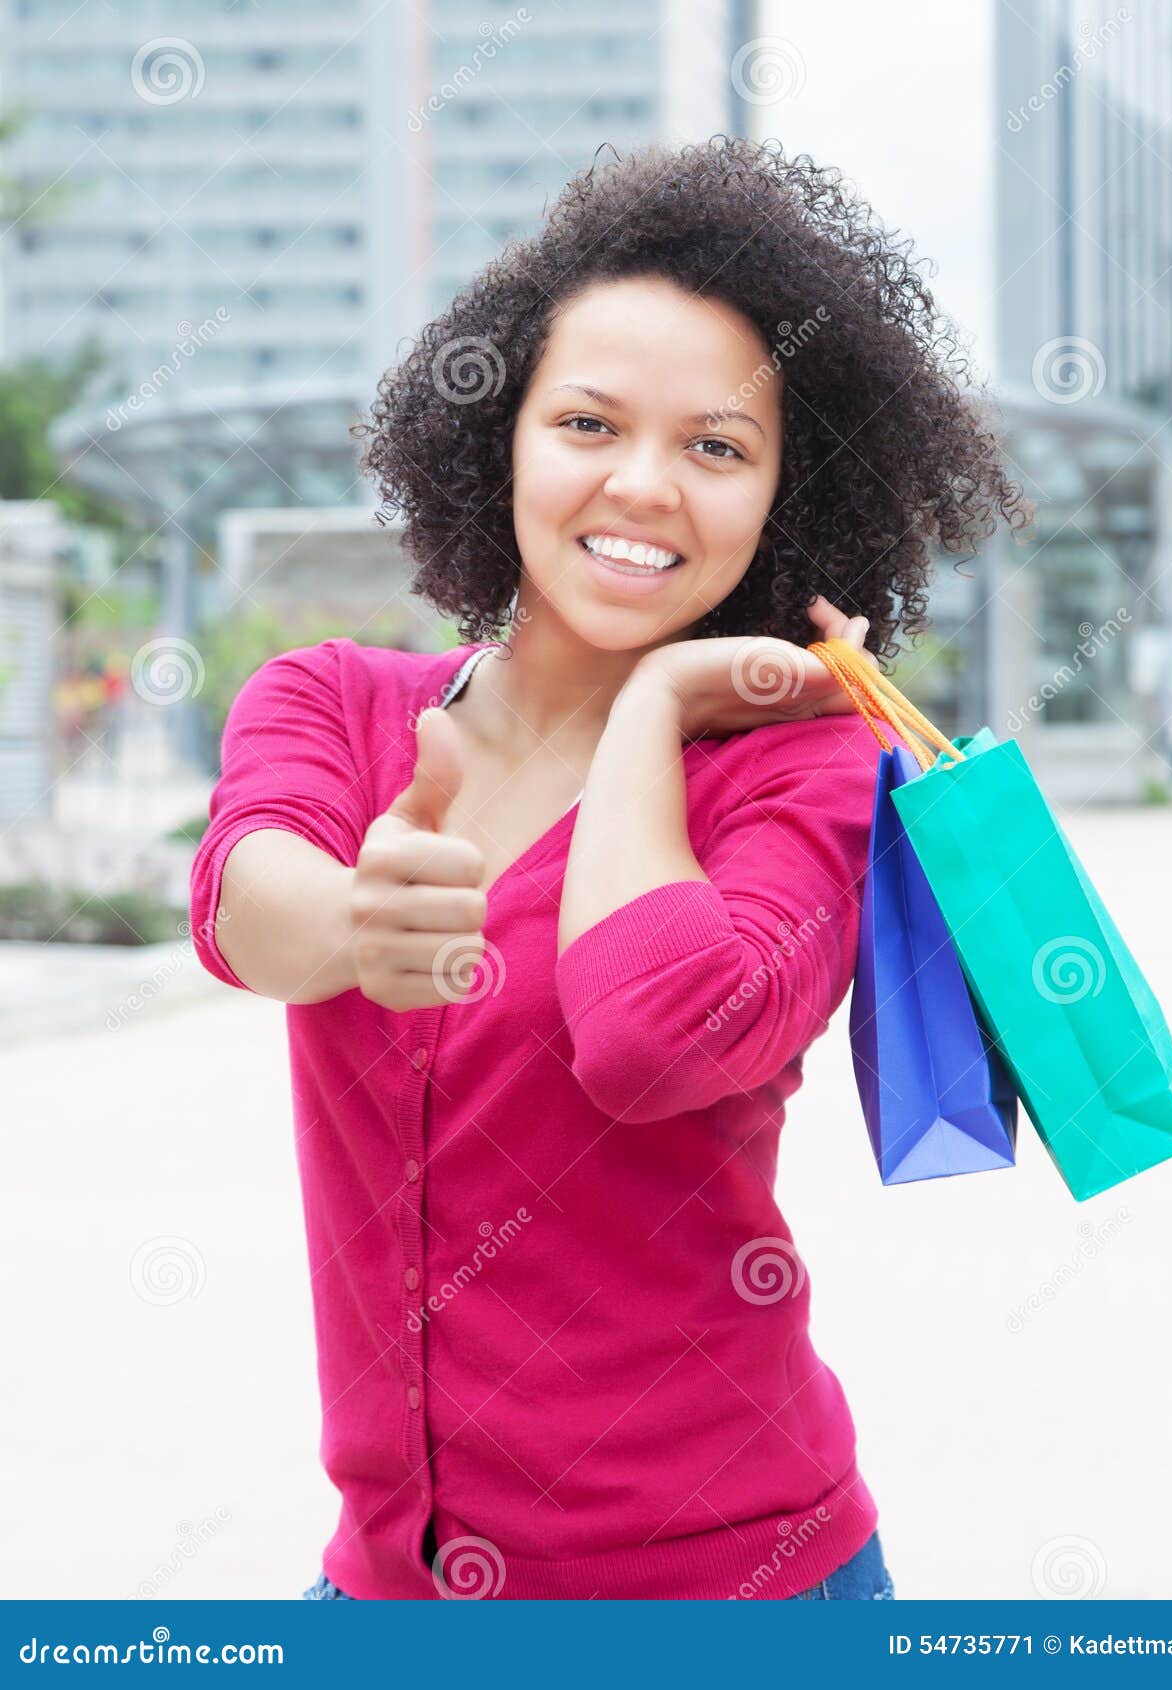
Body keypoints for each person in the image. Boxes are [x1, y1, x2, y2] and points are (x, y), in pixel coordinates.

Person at [189, 135, 1025, 1602]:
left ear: (787, 495)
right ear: (499, 435)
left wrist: (652, 711)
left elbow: (655, 1035)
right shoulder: (333, 699)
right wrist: (353, 917)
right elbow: (248, 911)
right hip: (386, 1583)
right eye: (586, 422)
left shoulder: (799, 770)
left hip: (735, 1587)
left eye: (716, 446)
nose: (642, 486)